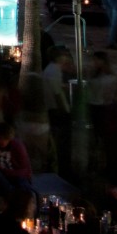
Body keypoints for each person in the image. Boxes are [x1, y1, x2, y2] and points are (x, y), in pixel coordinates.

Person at [43, 46, 73, 175]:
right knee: (61, 139)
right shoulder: (54, 71)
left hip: (51, 107)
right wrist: (66, 110)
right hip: (55, 109)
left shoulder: (52, 69)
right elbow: (57, 94)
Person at [0, 121, 33, 196]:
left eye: (5, 139)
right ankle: (11, 193)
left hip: (15, 175)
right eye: (0, 138)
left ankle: (12, 193)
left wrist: (7, 172)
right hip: (0, 177)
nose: (2, 141)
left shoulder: (17, 146)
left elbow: (26, 170)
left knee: (24, 188)